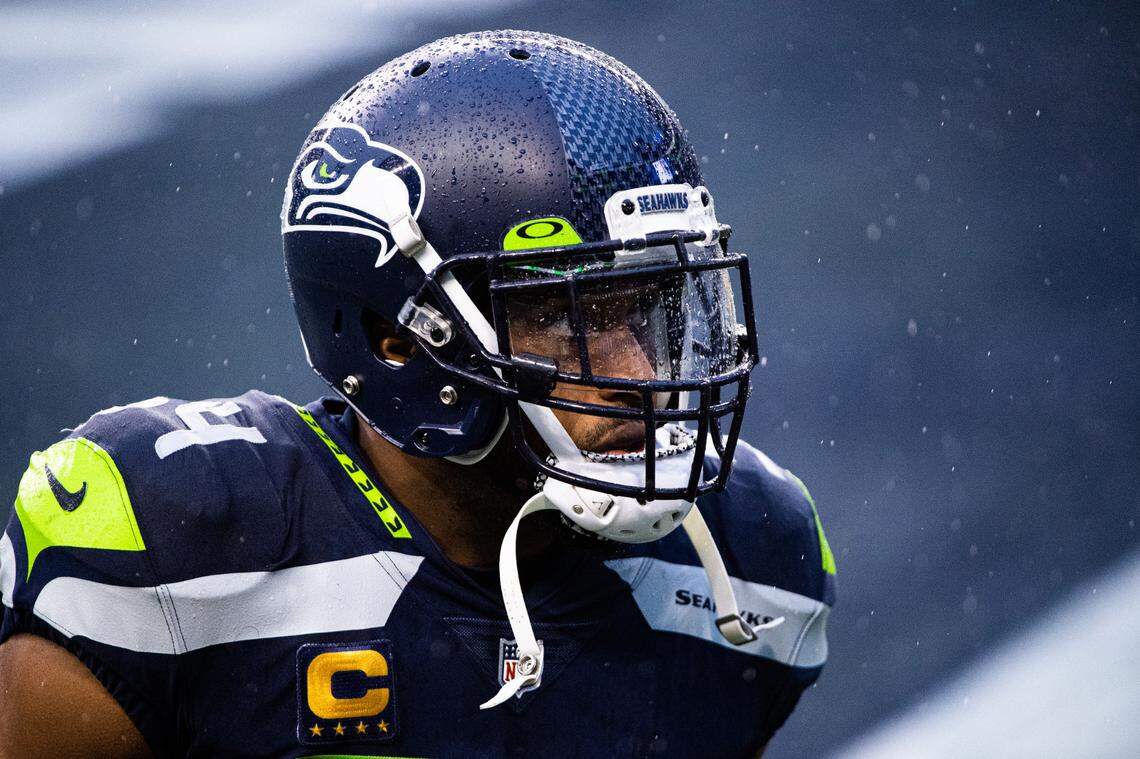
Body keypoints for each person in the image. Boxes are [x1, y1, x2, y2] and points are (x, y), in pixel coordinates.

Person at [0, 30, 835, 758]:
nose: (646, 378)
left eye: (647, 311)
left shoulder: (756, 557)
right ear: (396, 341)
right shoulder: (175, 547)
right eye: (568, 319)